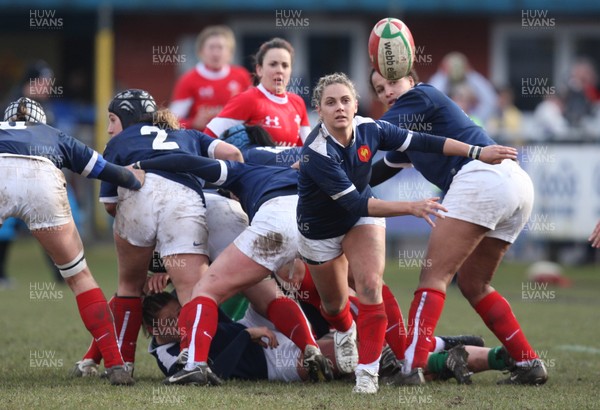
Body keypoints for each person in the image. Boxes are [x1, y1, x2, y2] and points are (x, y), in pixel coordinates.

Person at [295, 72, 517, 394]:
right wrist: (411, 207)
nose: (339, 108)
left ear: (356, 104)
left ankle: (367, 376)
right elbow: (356, 204)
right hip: (320, 232)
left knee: (371, 284)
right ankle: (347, 330)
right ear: (319, 109)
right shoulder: (315, 153)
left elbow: (422, 141)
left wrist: (476, 152)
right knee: (333, 305)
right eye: (330, 102)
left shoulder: (369, 128)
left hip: (359, 217)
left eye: (345, 100)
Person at [370, 69, 547, 386]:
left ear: (412, 79)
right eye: (379, 88)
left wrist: (332, 139)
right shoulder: (412, 128)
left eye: (393, 82)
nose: (386, 92)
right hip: (515, 182)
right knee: (473, 283)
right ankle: (528, 362)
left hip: (483, 176)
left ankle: (411, 369)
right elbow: (376, 171)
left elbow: (374, 132)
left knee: (433, 276)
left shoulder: (421, 94)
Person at [71, 88, 243, 379]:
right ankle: (193, 361)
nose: (110, 127)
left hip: (138, 194)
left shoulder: (119, 141)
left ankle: (122, 365)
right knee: (194, 291)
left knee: (129, 285)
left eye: (112, 119)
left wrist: (143, 237)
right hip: (184, 199)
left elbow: (110, 205)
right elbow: (233, 154)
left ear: (127, 116)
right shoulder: (186, 133)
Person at [132, 153, 336, 386]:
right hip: (299, 223)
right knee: (272, 295)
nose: (177, 322)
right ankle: (318, 342)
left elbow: (188, 161)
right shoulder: (293, 173)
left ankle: (194, 364)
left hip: (222, 218)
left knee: (202, 292)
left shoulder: (241, 173)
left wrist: (141, 163)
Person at [0, 97, 145, 385]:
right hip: (42, 176)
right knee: (80, 278)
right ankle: (116, 365)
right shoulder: (52, 135)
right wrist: (133, 180)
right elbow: (102, 169)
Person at [204, 37, 311, 146]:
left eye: (285, 65)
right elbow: (207, 137)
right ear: (259, 70)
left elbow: (309, 150)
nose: (280, 70)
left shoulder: (297, 102)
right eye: (273, 64)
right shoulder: (247, 99)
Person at [169, 25, 252, 131]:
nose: (216, 53)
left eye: (220, 47)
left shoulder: (241, 76)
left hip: (236, 140)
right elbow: (171, 122)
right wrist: (192, 123)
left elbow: (255, 113)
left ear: (230, 53)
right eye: (211, 47)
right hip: (202, 141)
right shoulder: (188, 80)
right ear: (200, 51)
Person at [428, 52, 498, 125]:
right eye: (457, 99)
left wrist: (470, 73)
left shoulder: (474, 122)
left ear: (470, 103)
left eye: (464, 100)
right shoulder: (443, 121)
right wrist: (442, 74)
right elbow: (431, 99)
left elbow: (490, 101)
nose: (461, 104)